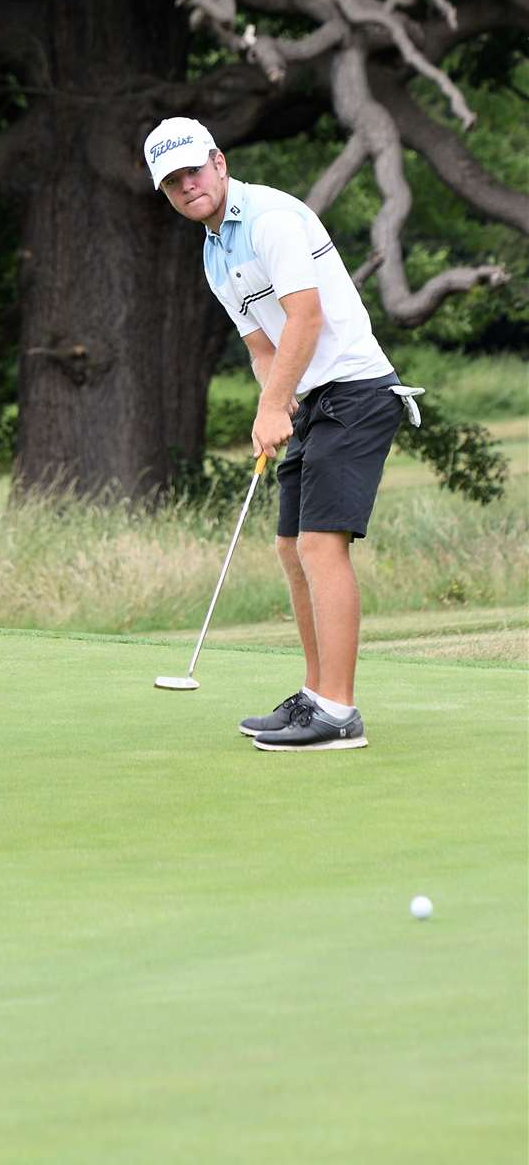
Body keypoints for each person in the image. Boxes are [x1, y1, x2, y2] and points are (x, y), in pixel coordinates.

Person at [143, 116, 419, 752]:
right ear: (166, 193)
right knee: (291, 548)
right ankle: (315, 694)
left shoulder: (270, 219)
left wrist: (272, 408)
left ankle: (339, 713)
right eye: (172, 183)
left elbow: (307, 315)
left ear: (217, 161)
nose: (187, 186)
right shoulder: (215, 252)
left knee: (322, 546)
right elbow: (263, 345)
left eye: (192, 171)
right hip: (316, 400)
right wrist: (278, 405)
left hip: (357, 390)